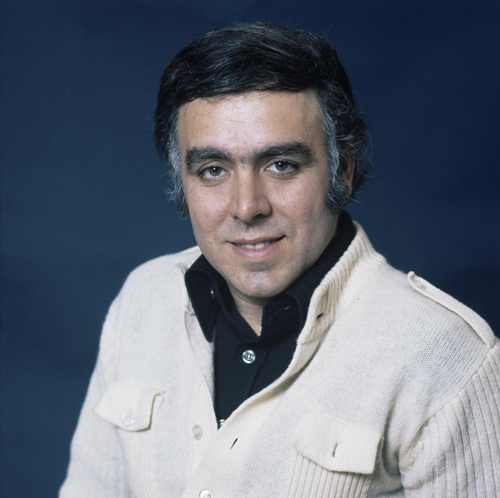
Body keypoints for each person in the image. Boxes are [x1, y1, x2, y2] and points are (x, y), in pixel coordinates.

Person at [60, 22, 499, 498]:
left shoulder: (447, 359)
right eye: (213, 170)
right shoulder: (142, 301)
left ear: (343, 170)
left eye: (281, 165)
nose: (247, 207)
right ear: (181, 181)